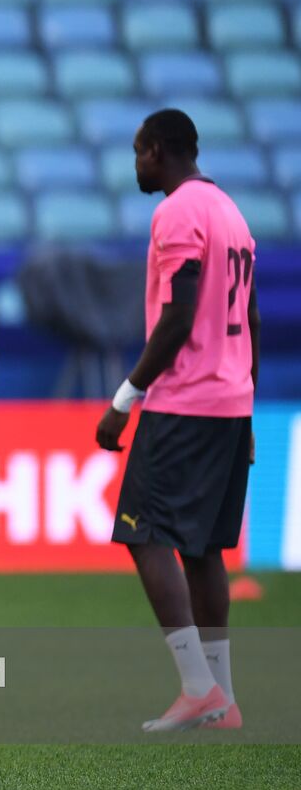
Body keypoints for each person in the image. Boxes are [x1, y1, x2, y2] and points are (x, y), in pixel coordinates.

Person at [95, 109, 256, 733]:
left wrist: (125, 396)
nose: (137, 163)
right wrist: (245, 411)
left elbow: (181, 311)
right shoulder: (233, 214)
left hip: (184, 400)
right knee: (204, 548)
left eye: (139, 152)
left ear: (157, 151)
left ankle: (197, 688)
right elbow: (254, 321)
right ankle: (223, 698)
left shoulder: (179, 210)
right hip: (229, 400)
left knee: (142, 533)